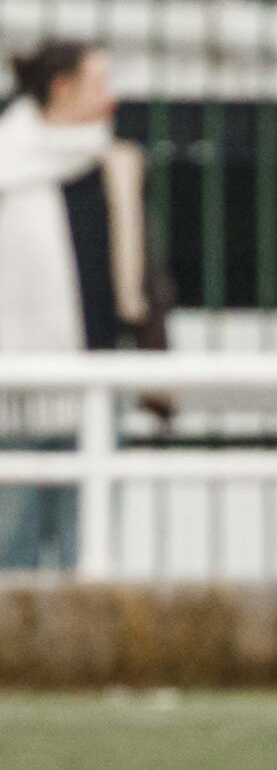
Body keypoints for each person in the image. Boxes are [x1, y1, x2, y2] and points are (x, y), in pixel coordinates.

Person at [0, 40, 156, 569]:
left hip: (99, 376)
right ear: (62, 87)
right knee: (11, 543)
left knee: (88, 549)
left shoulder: (114, 164)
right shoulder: (8, 164)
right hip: (14, 391)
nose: (111, 98)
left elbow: (139, 276)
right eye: (99, 83)